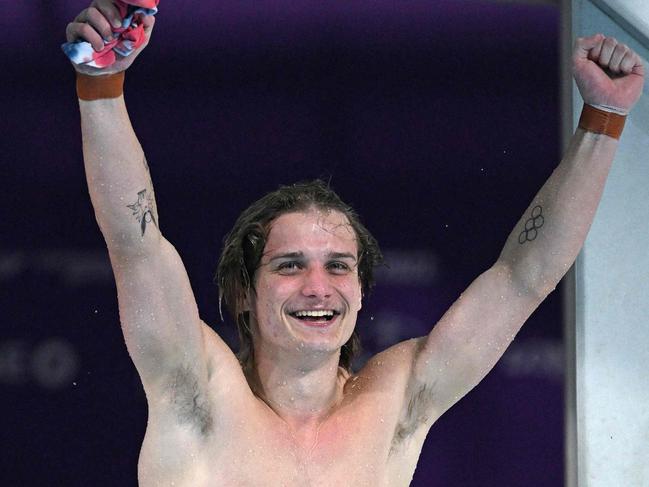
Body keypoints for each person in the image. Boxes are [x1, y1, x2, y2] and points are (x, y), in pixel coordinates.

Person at [65, 1, 644, 485]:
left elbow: (526, 276)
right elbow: (135, 245)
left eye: (338, 266)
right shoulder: (196, 392)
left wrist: (605, 116)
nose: (318, 287)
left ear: (362, 291)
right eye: (290, 265)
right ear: (244, 291)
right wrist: (101, 86)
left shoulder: (397, 401)